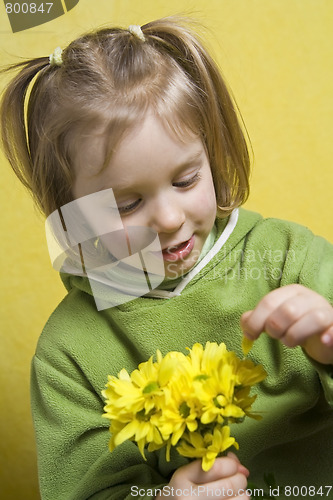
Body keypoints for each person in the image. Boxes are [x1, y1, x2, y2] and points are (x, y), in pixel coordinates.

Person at [1, 17, 332, 500]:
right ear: (72, 215)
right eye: (126, 204)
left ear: (213, 156)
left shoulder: (289, 259)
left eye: (185, 180)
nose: (170, 218)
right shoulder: (67, 355)